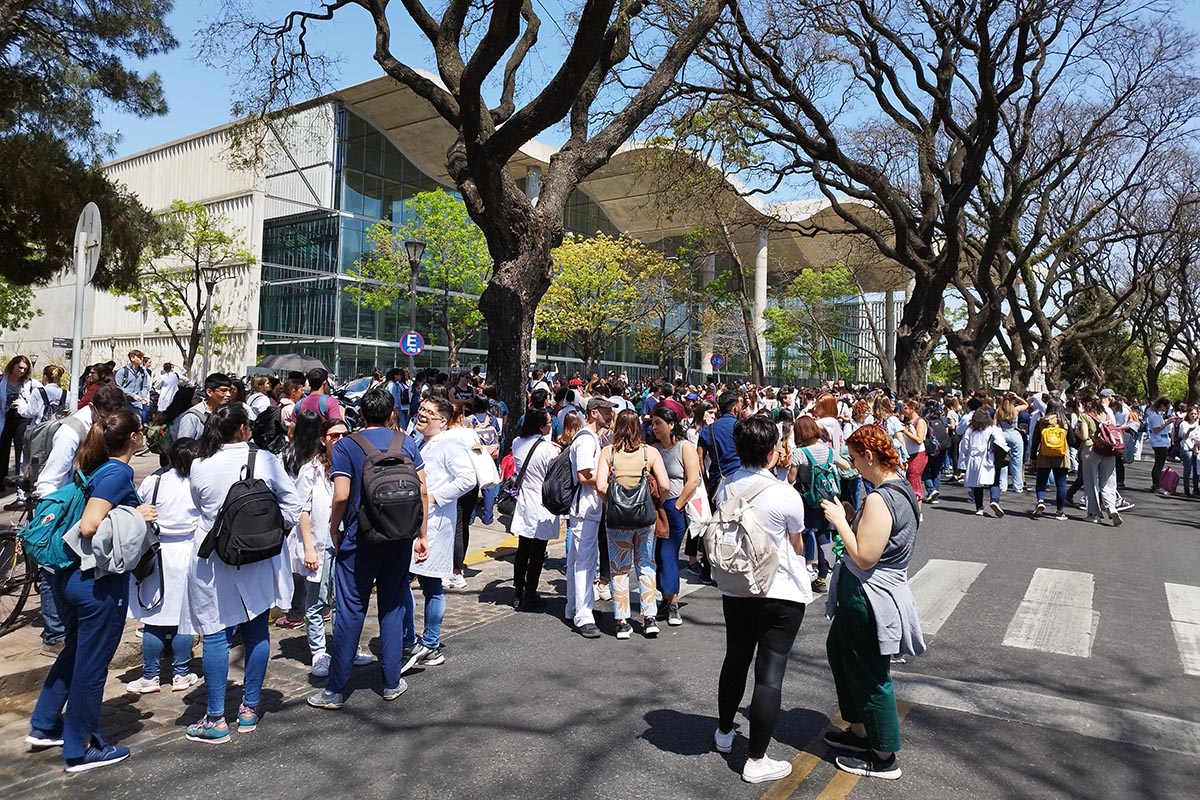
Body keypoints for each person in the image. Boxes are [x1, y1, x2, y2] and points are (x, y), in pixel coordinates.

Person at [27, 407, 158, 771]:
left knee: (75, 653)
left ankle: (45, 724)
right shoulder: (117, 472)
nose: (145, 433)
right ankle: (80, 749)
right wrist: (137, 516)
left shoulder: (95, 467)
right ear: (132, 438)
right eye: (142, 429)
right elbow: (89, 525)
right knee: (92, 666)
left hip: (72, 576)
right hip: (97, 584)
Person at [184, 403, 301, 742]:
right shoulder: (266, 459)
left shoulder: (199, 465)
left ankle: (215, 718)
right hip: (259, 557)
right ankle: (249, 709)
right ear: (241, 430)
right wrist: (271, 531)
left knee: (216, 635)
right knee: (256, 630)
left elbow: (201, 506)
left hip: (214, 559)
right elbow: (293, 505)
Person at [308, 389, 428, 709]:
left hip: (359, 540)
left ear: (360, 415)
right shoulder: (406, 443)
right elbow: (422, 491)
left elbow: (341, 495)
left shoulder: (347, 446)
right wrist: (422, 534)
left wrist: (334, 528)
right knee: (392, 606)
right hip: (399, 537)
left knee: (350, 610)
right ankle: (391, 682)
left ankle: (335, 690)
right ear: (391, 414)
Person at [819, 424, 925, 781]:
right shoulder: (898, 488)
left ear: (868, 456)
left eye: (853, 458)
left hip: (870, 594)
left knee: (869, 672)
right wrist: (853, 518)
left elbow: (865, 556)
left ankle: (883, 754)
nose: (851, 465)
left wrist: (840, 522)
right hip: (867, 591)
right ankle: (859, 731)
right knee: (842, 654)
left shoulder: (882, 497)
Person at [713, 415, 811, 784]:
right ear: (772, 452)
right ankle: (756, 760)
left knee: (735, 658)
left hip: (737, 587)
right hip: (779, 591)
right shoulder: (785, 494)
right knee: (769, 674)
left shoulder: (725, 485)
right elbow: (797, 544)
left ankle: (724, 732)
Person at [403, 395, 475, 668]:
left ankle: (428, 643)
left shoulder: (449, 442)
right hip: (419, 522)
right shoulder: (421, 441)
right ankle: (416, 641)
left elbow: (467, 479)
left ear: (443, 421)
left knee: (428, 583)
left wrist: (433, 498)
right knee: (418, 582)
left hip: (435, 524)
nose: (421, 415)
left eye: (429, 413)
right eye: (421, 410)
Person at [126, 438, 202, 694]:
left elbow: (140, 508)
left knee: (154, 619)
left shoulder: (154, 481)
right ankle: (181, 673)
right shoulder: (198, 484)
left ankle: (150, 676)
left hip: (157, 553)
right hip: (189, 553)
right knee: (184, 619)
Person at [287, 415, 357, 677]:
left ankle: (345, 646)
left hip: (347, 536)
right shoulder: (311, 469)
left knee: (344, 597)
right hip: (320, 538)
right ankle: (318, 651)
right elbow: (301, 509)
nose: (339, 440)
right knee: (317, 599)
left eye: (344, 435)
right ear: (323, 439)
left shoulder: (352, 464)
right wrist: (308, 547)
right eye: (334, 436)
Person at [595, 410, 671, 639]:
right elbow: (665, 485)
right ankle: (649, 618)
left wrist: (612, 504)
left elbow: (600, 486)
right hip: (644, 518)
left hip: (617, 521)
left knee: (619, 568)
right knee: (646, 564)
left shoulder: (608, 453)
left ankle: (621, 621)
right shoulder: (650, 453)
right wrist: (656, 502)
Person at [564, 397, 616, 639]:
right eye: (606, 411)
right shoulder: (586, 439)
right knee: (585, 563)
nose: (610, 415)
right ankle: (583, 616)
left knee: (577, 561)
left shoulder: (590, 437)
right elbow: (584, 476)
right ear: (593, 412)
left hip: (586, 508)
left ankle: (574, 608)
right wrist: (609, 477)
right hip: (584, 508)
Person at [649, 406, 700, 626]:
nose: (654, 428)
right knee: (657, 555)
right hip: (656, 508)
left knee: (668, 554)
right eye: (652, 424)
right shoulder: (654, 449)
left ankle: (673, 603)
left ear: (671, 425)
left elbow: (693, 480)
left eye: (658, 423)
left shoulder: (684, 447)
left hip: (674, 507)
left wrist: (678, 504)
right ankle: (665, 598)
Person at [508, 410, 561, 610]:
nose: (550, 425)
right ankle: (530, 591)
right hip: (541, 500)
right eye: (548, 423)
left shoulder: (517, 443)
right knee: (538, 550)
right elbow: (553, 474)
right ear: (540, 426)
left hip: (524, 498)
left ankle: (517, 590)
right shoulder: (548, 449)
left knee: (523, 547)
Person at [1077, 396, 1121, 525]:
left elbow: (1085, 436)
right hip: (1108, 450)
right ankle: (1111, 507)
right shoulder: (1106, 415)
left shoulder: (1085, 416)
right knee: (1109, 481)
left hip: (1092, 449)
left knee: (1091, 482)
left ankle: (1094, 514)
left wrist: (1077, 432)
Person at [957, 408, 1007, 517]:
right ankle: (994, 500)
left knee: (977, 485)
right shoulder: (992, 429)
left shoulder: (970, 430)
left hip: (974, 459)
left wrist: (962, 462)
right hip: (989, 458)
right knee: (994, 481)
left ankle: (979, 508)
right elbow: (1001, 442)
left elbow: (964, 446)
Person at [1029, 400, 1071, 520]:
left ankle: (1040, 501)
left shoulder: (1042, 421)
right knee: (1061, 484)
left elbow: (1035, 441)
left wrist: (1033, 457)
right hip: (1061, 455)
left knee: (1041, 481)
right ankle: (1060, 511)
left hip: (1044, 454)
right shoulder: (1065, 422)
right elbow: (1072, 440)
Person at [0, 355, 34, 491]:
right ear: (13, 365)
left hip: (22, 419)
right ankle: (1, 481)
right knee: (2, 449)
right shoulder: (2, 380)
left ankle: (20, 481)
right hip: (5, 418)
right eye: (20, 367)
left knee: (21, 449)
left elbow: (38, 397)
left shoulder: (30, 383)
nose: (22, 371)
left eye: (25, 369)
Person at [172, 373, 235, 442]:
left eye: (230, 391)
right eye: (223, 391)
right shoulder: (192, 417)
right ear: (209, 392)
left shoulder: (228, 412)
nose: (228, 394)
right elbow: (184, 445)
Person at [995, 393, 1028, 493]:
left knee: (1002, 461)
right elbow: (1026, 404)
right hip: (1014, 434)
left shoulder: (998, 411)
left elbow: (994, 425)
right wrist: (1017, 396)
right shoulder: (1015, 410)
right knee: (1017, 461)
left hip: (1002, 435)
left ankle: (1002, 485)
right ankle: (1017, 486)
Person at [1146, 397, 1175, 494]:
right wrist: (1167, 423)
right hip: (1159, 442)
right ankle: (1157, 485)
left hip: (1160, 442)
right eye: (1166, 407)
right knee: (1159, 465)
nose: (1167, 409)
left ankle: (1156, 484)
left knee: (1158, 464)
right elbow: (1156, 429)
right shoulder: (1155, 416)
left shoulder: (1158, 415)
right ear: (1162, 405)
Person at [115, 350, 152, 424]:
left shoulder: (143, 372)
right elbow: (118, 387)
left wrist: (142, 396)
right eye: (139, 357)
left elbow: (145, 386)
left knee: (137, 424)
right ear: (132, 358)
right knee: (124, 424)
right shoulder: (122, 371)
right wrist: (132, 395)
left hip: (137, 405)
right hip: (124, 403)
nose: (142, 359)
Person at [1178, 406, 1200, 497]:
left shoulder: (1197, 424)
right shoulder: (1184, 424)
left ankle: (1196, 488)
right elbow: (1183, 437)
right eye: (1191, 414)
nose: (1193, 415)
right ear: (1188, 414)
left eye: (1195, 414)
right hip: (1186, 447)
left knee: (1196, 469)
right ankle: (1186, 489)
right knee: (1188, 469)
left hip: (1195, 448)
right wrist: (1189, 430)